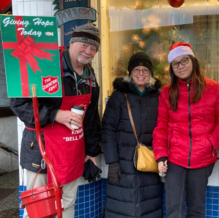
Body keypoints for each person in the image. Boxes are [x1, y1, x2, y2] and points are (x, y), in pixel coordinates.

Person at [10, 24, 102, 218]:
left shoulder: (90, 77)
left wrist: (91, 153)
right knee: (39, 209)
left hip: (72, 152)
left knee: (67, 204)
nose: (88, 51)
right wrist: (55, 115)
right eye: (84, 45)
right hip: (40, 149)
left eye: (93, 48)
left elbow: (91, 117)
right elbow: (19, 104)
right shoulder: (44, 63)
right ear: (71, 42)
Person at [153, 41, 219, 218]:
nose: (180, 66)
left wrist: (210, 143)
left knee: (196, 209)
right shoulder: (167, 92)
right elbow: (161, 126)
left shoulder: (214, 89)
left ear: (193, 61)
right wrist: (161, 154)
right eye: (175, 63)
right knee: (174, 209)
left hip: (202, 158)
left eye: (184, 60)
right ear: (171, 68)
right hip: (174, 159)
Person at [101, 52, 163, 218]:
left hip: (149, 161)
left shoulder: (158, 96)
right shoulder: (119, 96)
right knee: (122, 207)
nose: (140, 74)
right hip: (123, 163)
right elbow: (107, 129)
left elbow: (164, 128)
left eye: (145, 70)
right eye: (136, 69)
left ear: (150, 73)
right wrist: (112, 162)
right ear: (130, 72)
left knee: (148, 205)